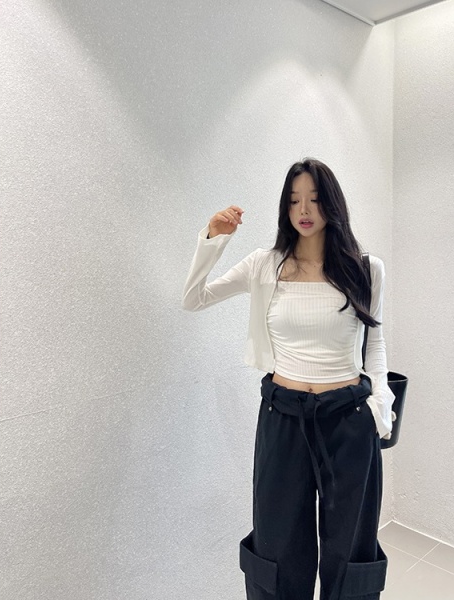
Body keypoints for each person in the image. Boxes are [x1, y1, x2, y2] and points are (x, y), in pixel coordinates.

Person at [182, 158, 395, 600]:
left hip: (348, 419)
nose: (304, 209)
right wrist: (213, 238)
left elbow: (374, 345)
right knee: (277, 546)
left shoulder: (366, 268)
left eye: (314, 199)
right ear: (285, 207)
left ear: (332, 204)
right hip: (283, 417)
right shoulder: (265, 265)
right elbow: (194, 298)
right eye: (295, 200)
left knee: (351, 548)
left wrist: (380, 407)